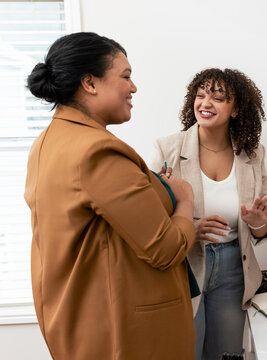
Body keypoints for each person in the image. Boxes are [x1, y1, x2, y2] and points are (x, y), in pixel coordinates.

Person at [24, 32, 198, 359]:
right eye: (126, 76)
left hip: (84, 325)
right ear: (90, 83)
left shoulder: (48, 141)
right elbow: (165, 248)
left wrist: (154, 188)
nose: (133, 87)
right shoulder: (97, 152)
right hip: (125, 335)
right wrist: (185, 199)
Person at [148, 68, 267, 359]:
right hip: (183, 266)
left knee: (227, 354)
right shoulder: (167, 148)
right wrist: (190, 227)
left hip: (234, 267)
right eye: (200, 95)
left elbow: (263, 222)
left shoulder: (254, 153)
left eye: (218, 97)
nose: (205, 103)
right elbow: (151, 221)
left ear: (236, 109)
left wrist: (259, 225)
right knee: (183, 351)